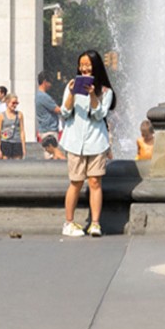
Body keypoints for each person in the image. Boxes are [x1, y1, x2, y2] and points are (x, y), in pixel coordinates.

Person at [60, 50, 114, 237]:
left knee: (95, 181)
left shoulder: (106, 91)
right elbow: (65, 113)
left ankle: (95, 223)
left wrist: (92, 95)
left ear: (96, 66)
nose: (84, 68)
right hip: (75, 141)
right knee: (75, 182)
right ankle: (68, 222)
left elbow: (99, 115)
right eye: (81, 65)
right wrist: (72, 94)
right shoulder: (71, 86)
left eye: (88, 65)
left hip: (96, 141)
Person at [36, 72, 65, 160]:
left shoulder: (38, 95)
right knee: (53, 155)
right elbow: (58, 110)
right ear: (45, 82)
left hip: (44, 129)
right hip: (49, 130)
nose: (51, 85)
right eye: (50, 82)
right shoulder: (44, 97)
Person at [0, 94, 26, 160]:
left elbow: (22, 131)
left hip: (17, 142)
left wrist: (23, 147)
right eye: (13, 103)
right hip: (6, 142)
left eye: (16, 103)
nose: (15, 105)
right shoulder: (1, 116)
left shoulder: (19, 115)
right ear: (7, 102)